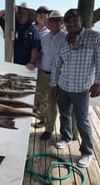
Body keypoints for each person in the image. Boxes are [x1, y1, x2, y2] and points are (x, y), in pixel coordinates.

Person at [50, 9, 100, 168]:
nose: (71, 23)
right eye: (68, 21)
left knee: (82, 120)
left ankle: (86, 152)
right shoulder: (63, 41)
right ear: (65, 24)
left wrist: (98, 82)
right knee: (64, 114)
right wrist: (54, 84)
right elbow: (57, 64)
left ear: (81, 20)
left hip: (82, 87)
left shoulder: (95, 37)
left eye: (74, 20)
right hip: (63, 85)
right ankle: (66, 137)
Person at [34, 10, 66, 140]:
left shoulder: (66, 36)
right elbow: (39, 54)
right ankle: (42, 120)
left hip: (57, 75)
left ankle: (49, 129)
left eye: (57, 20)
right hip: (41, 73)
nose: (54, 23)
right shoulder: (44, 37)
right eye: (52, 20)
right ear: (48, 22)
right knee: (41, 99)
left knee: (52, 103)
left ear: (61, 22)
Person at [0, 2, 40, 67]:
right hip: (9, 63)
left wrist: (32, 62)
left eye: (24, 13)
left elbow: (35, 47)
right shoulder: (9, 25)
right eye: (19, 12)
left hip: (26, 66)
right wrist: (8, 9)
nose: (21, 15)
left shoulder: (33, 29)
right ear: (15, 14)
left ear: (28, 15)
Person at [32, 6, 52, 128]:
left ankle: (43, 120)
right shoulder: (30, 28)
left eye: (45, 13)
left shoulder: (50, 32)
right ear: (36, 14)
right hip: (28, 68)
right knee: (31, 94)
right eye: (40, 12)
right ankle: (29, 115)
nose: (43, 15)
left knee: (44, 96)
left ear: (48, 16)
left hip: (43, 69)